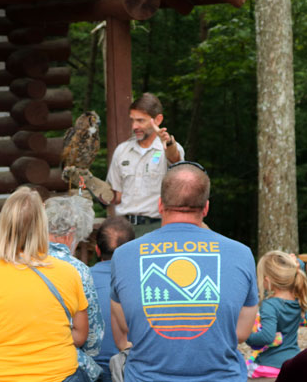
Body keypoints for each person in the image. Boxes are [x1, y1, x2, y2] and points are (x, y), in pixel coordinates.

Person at [110, 162, 259, 381]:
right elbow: (241, 333)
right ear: (206, 208)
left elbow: (124, 330)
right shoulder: (241, 254)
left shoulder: (123, 255)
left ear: (160, 205)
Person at [0, 187, 89, 382]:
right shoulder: (68, 272)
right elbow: (81, 335)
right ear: (43, 226)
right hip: (57, 374)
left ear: (4, 225)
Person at [105, 93, 184, 236]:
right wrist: (88, 185)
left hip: (156, 227)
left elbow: (175, 158)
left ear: (158, 119)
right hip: (124, 228)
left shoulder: (168, 147)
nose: (135, 126)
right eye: (132, 120)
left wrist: (168, 143)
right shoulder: (122, 150)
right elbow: (116, 196)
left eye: (141, 120)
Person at [45, 195, 104, 382]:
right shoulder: (78, 269)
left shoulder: (20, 259)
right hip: (62, 365)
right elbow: (93, 337)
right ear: (71, 234)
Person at [245, 250, 307, 379]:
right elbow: (298, 269)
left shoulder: (270, 305)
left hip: (268, 366)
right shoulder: (298, 300)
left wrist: (247, 335)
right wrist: (297, 263)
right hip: (291, 362)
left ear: (267, 280)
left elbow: (267, 337)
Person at [89, 217, 135, 382]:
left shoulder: (80, 278)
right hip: (129, 370)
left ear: (97, 250)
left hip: (92, 372)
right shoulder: (143, 281)